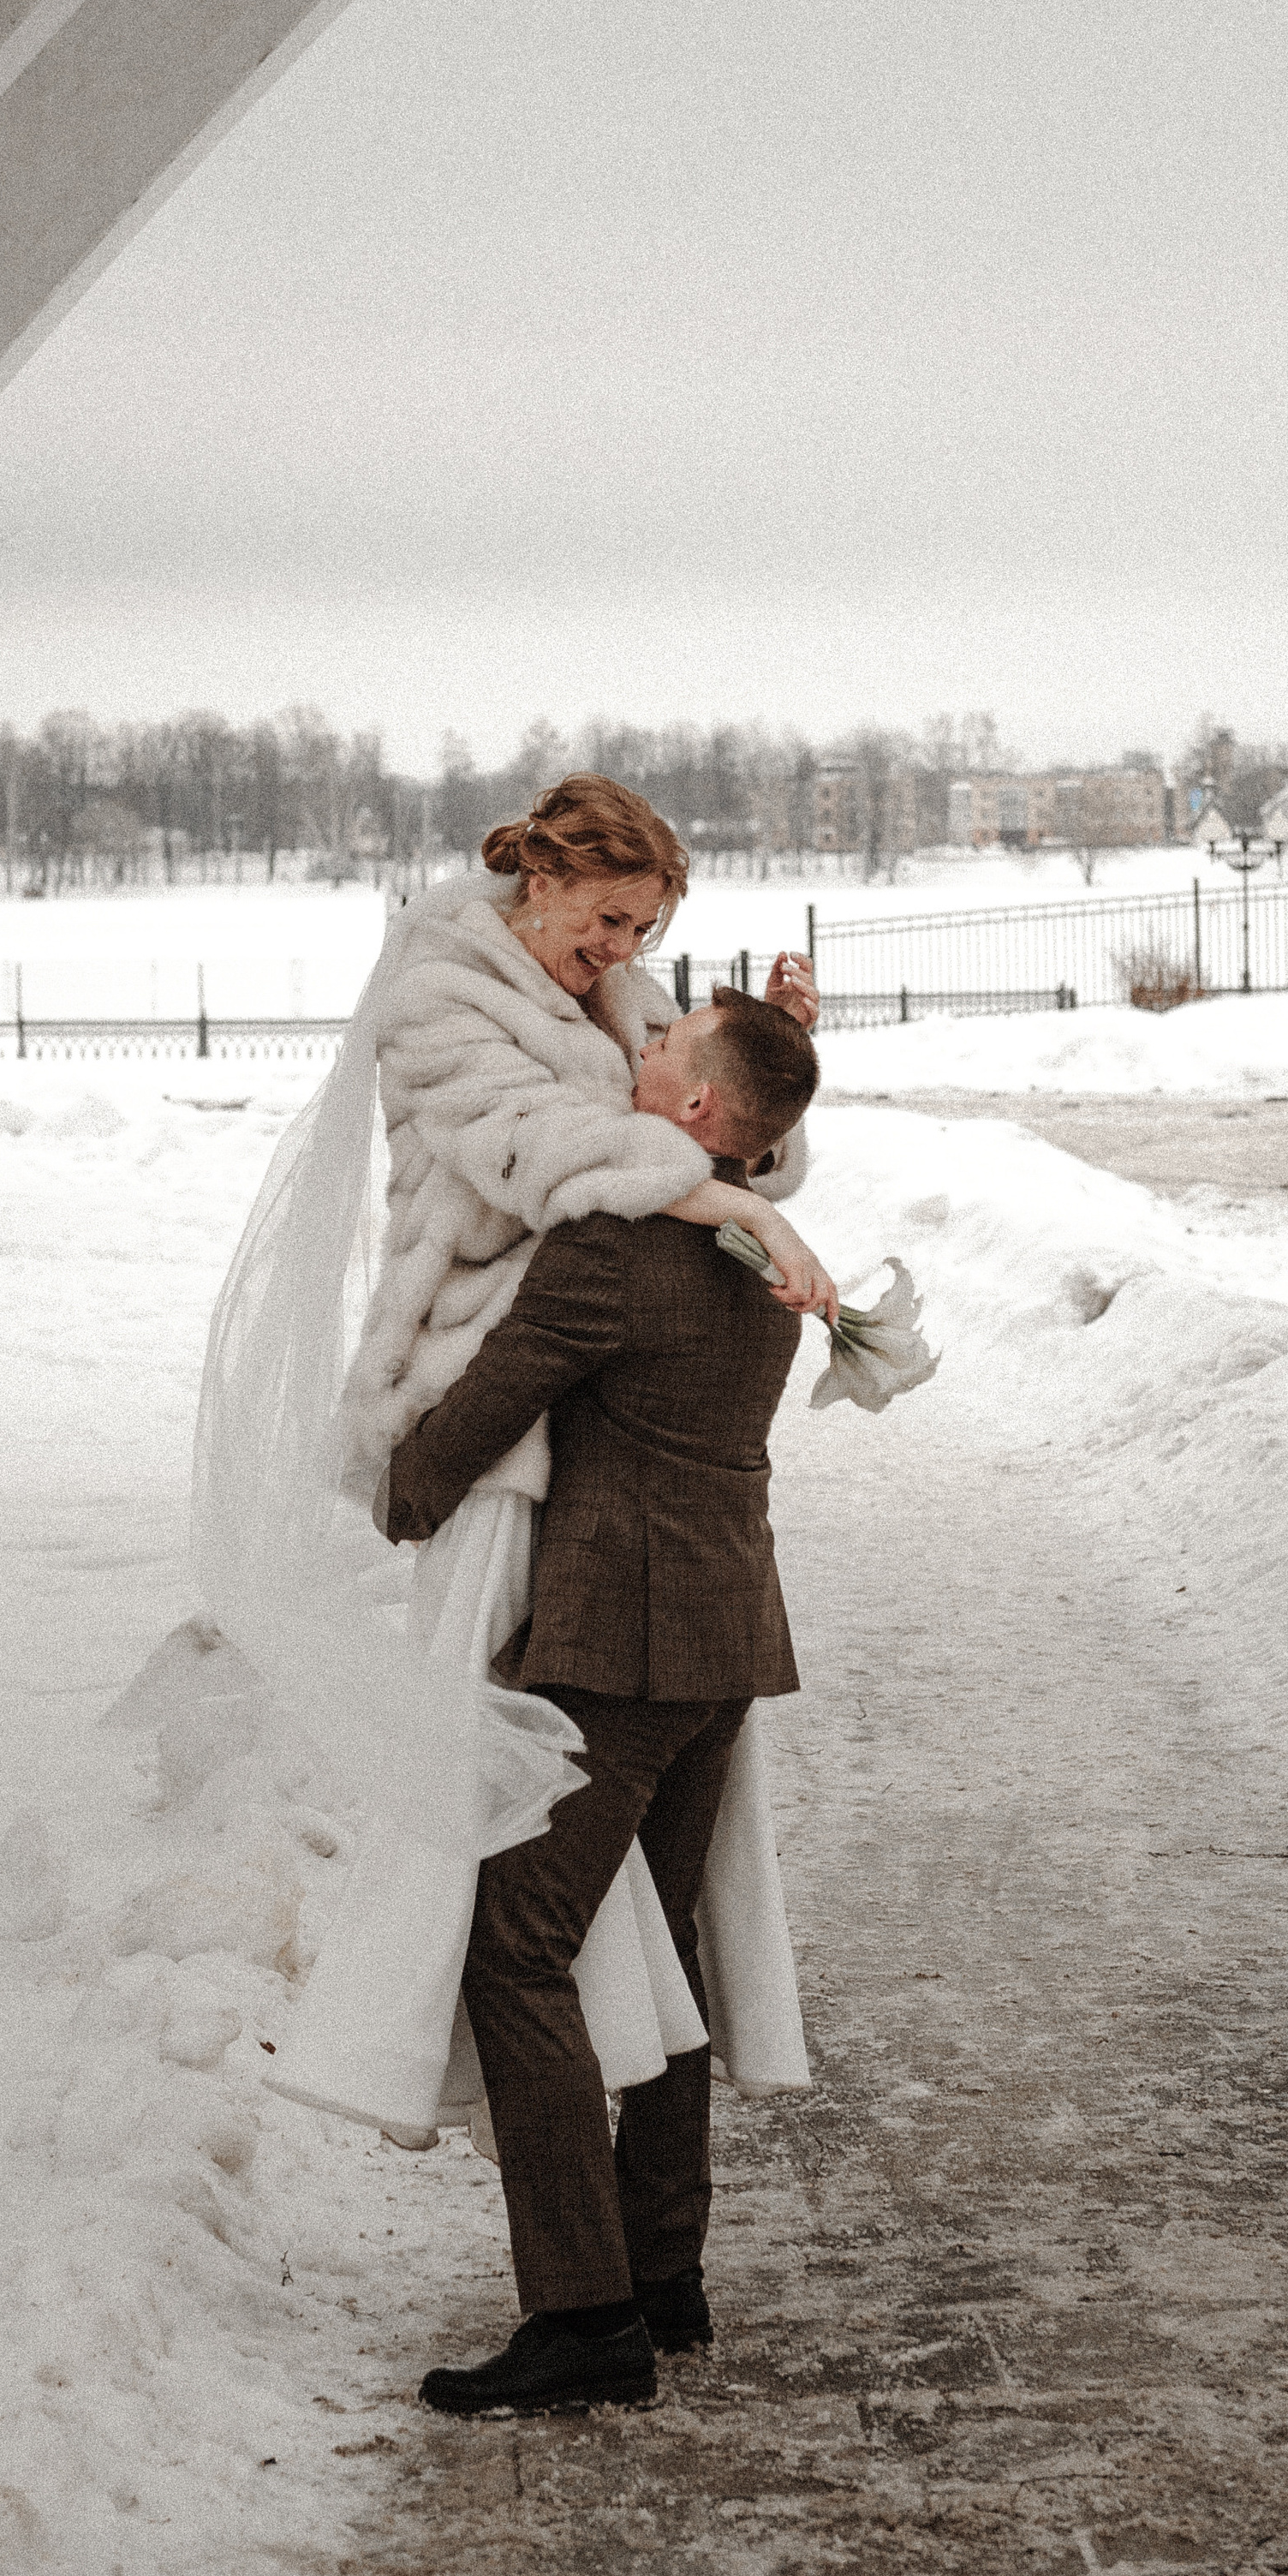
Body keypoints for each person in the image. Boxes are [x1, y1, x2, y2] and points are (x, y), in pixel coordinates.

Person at [260, 775, 832, 2144]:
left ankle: (618, 2267)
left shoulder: (622, 1001)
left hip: (583, 1405)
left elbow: (713, 1126)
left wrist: (772, 1062)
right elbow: (543, 1153)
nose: (627, 952)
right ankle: (420, 2072)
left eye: (647, 930)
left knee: (608, 1880)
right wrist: (702, 1185)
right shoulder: (443, 992)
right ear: (547, 879)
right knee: (502, 1826)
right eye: (613, 918)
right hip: (482, 1382)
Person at [380, 985, 823, 2418]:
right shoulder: (757, 1238)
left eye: (663, 1047)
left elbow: (491, 1401)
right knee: (671, 1946)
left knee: (517, 1952)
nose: (636, 1049)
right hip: (724, 1640)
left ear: (695, 1110)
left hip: (615, 1649)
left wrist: (396, 1490)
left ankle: (582, 2314)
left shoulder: (617, 1247)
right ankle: (663, 2271)